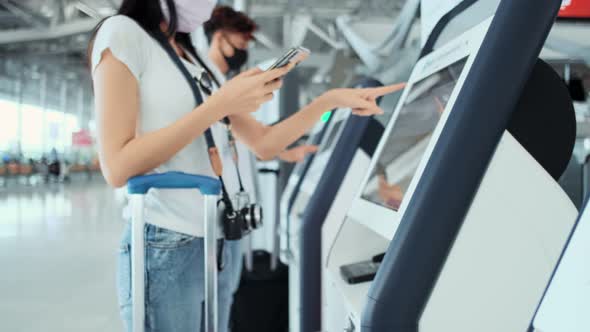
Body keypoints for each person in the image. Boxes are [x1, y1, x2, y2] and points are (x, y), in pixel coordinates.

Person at [89, 0, 403, 331]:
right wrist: (219, 105)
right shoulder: (122, 33)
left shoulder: (189, 58)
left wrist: (332, 101)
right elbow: (117, 166)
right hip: (167, 241)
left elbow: (264, 143)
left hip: (220, 238)